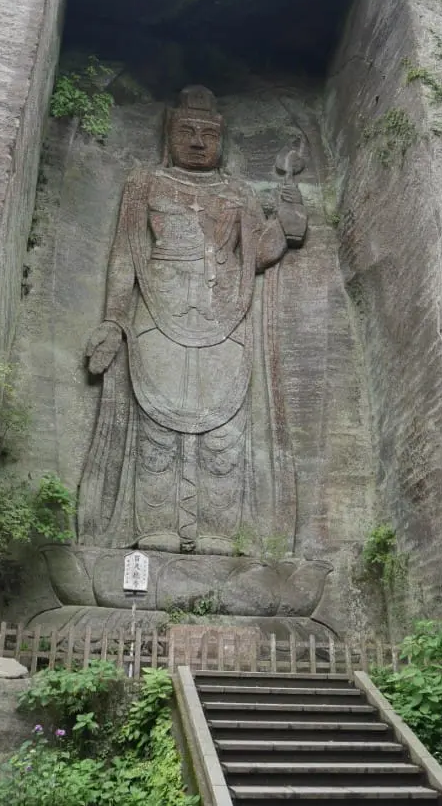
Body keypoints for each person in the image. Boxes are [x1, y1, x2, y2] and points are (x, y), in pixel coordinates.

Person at [79, 85, 307, 555]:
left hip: (225, 318)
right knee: (157, 428)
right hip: (157, 315)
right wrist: (113, 319)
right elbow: (126, 255)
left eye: (208, 134)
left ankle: (221, 533)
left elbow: (255, 256)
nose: (199, 143)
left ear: (220, 139)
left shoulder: (238, 192)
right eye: (187, 132)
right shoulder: (146, 182)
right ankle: (155, 529)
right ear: (170, 134)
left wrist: (286, 221)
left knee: (224, 433)